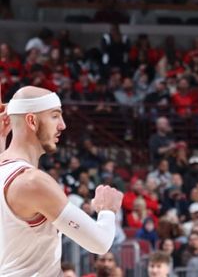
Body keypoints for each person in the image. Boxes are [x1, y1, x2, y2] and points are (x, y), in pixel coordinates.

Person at [0, 86, 123, 274]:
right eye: (55, 115)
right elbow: (100, 243)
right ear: (32, 121)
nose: (63, 125)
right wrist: (107, 210)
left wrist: (2, 139)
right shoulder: (32, 182)